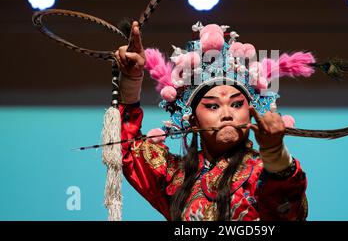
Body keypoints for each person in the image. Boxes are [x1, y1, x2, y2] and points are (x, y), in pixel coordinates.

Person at [114, 21, 314, 221]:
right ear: (192, 121)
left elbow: (290, 207)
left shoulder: (263, 173)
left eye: (236, 105)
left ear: (251, 113)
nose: (227, 114)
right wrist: (131, 79)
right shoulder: (176, 176)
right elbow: (126, 148)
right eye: (213, 106)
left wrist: (274, 151)